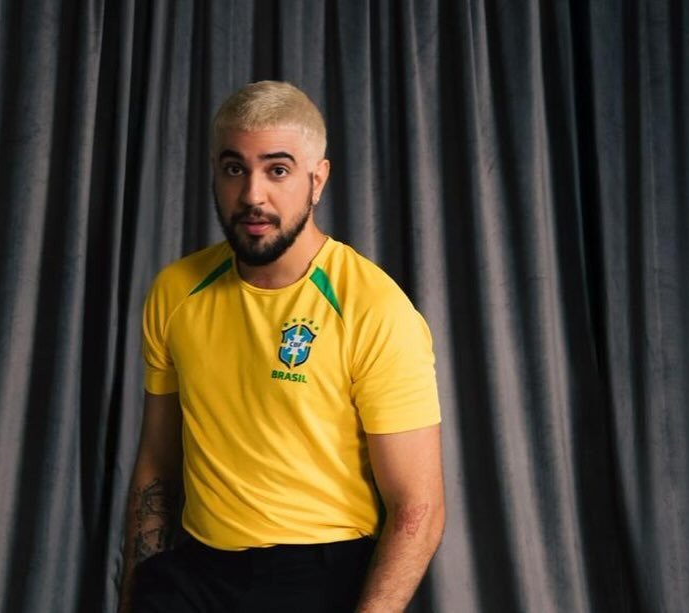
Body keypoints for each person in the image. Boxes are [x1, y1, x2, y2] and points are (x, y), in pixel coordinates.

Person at [118, 80, 444, 613]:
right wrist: (134, 594)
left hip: (317, 573)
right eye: (234, 169)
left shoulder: (374, 309)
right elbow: (157, 461)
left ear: (318, 179)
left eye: (277, 170)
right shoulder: (176, 291)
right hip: (196, 570)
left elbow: (418, 509)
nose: (252, 195)